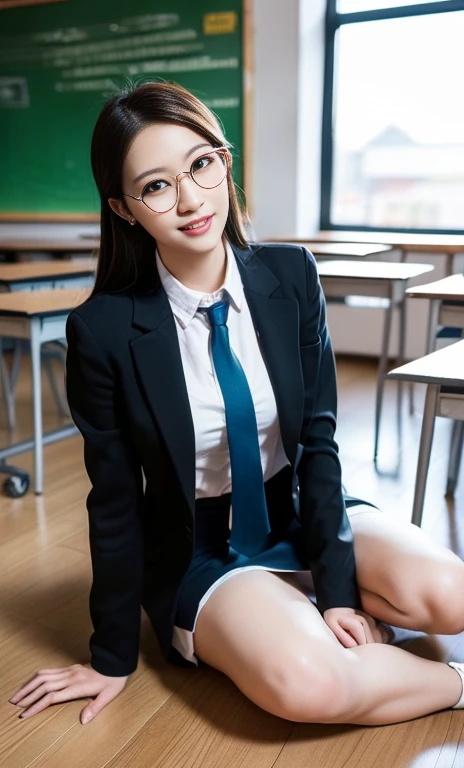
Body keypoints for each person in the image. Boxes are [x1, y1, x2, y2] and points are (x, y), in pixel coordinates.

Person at [8, 81, 464, 728]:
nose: (191, 199)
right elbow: (113, 502)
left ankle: (313, 608)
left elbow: (321, 443)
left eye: (201, 164)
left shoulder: (292, 277)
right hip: (199, 546)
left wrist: (337, 593)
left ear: (225, 162)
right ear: (125, 209)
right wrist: (111, 657)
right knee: (308, 684)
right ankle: (448, 680)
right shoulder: (104, 331)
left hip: (297, 510)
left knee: (451, 596)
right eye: (157, 185)